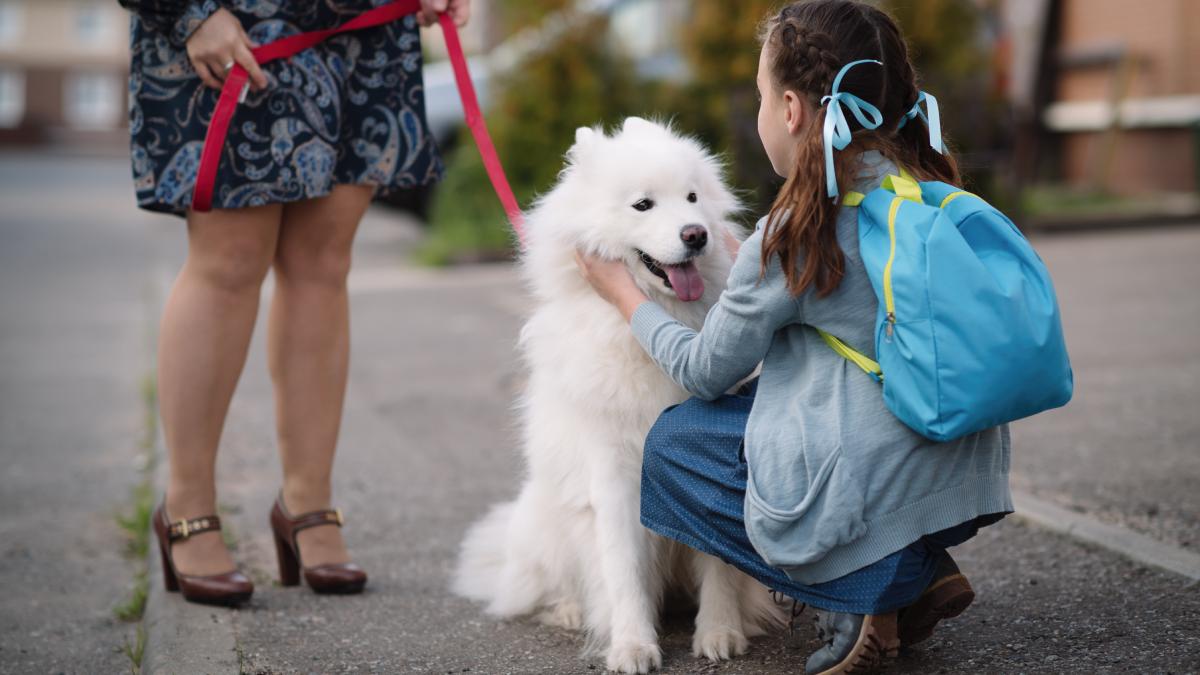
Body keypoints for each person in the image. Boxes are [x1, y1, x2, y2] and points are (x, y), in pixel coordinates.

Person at [575, 1, 1011, 672]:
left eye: (759, 96)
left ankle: (860, 588)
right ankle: (917, 560)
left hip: (873, 481)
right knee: (792, 405)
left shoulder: (796, 232)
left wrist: (623, 294)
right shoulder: (927, 189)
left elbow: (704, 371)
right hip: (965, 480)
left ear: (789, 110)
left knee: (677, 443)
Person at [118, 0, 470, 605]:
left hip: (361, 29)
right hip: (237, 21)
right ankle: (187, 506)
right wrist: (190, 13)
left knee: (324, 264)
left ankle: (308, 502)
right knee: (229, 261)